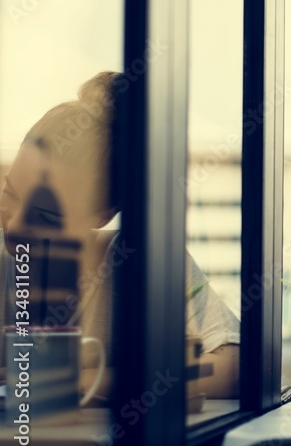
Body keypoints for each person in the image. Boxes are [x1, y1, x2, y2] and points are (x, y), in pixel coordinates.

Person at [0, 71, 240, 400]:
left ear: (101, 216)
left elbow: (232, 365)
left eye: (44, 215)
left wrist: (76, 381)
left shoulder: (133, 259)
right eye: (10, 195)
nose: (13, 228)